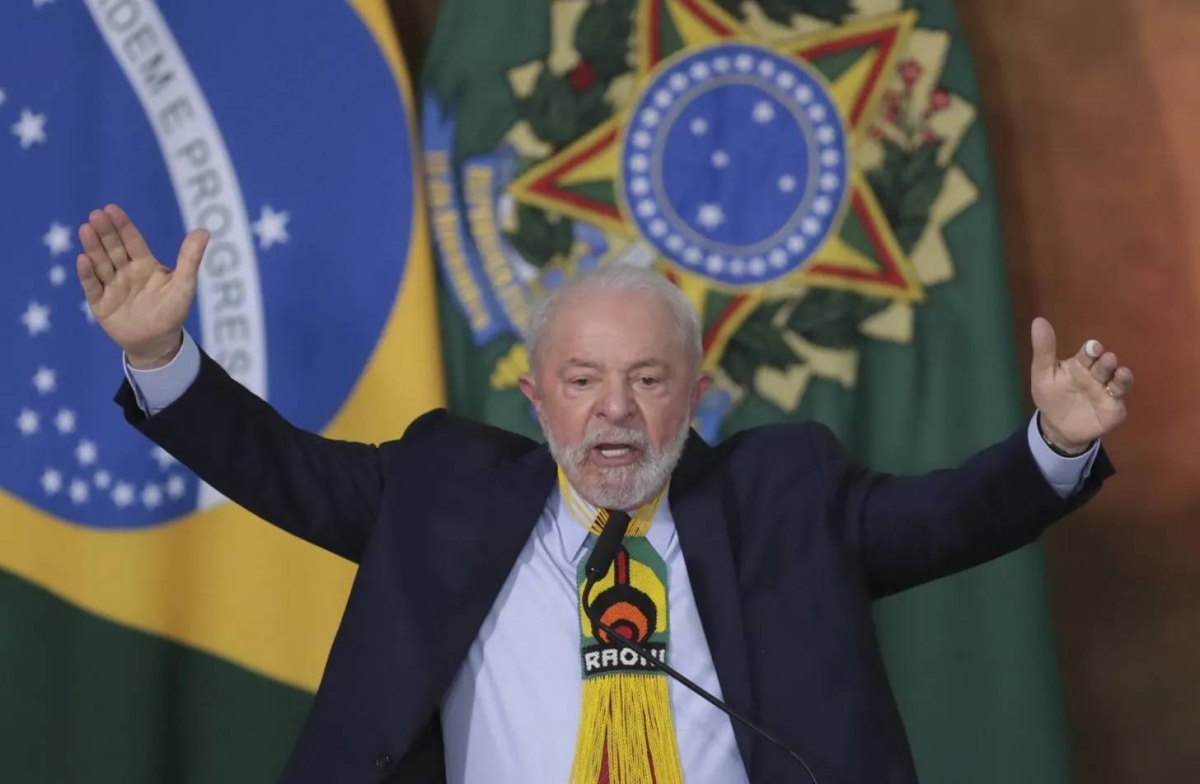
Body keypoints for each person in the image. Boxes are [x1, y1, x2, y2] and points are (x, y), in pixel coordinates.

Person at [76, 204, 1131, 784]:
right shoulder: (441, 488)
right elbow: (279, 467)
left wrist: (1051, 444)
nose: (613, 411)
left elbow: (947, 518)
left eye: (648, 380)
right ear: (536, 397)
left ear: (697, 396)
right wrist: (162, 355)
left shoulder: (785, 495)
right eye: (582, 381)